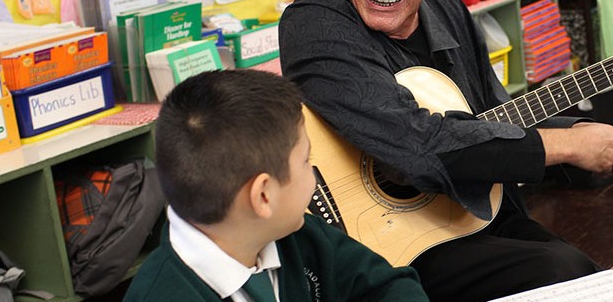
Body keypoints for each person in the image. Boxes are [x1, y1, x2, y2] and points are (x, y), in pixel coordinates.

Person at [279, 0, 613, 300]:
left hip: (466, 214)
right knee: (560, 270)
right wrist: (565, 146)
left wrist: (576, 131)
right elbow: (412, 150)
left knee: (589, 281)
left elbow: (495, 114)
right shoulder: (315, 24)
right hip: (380, 245)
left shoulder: (449, 11)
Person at [124, 70, 428, 301]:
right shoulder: (162, 293)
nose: (314, 174)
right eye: (307, 161)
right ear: (264, 196)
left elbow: (391, 287)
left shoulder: (295, 234)